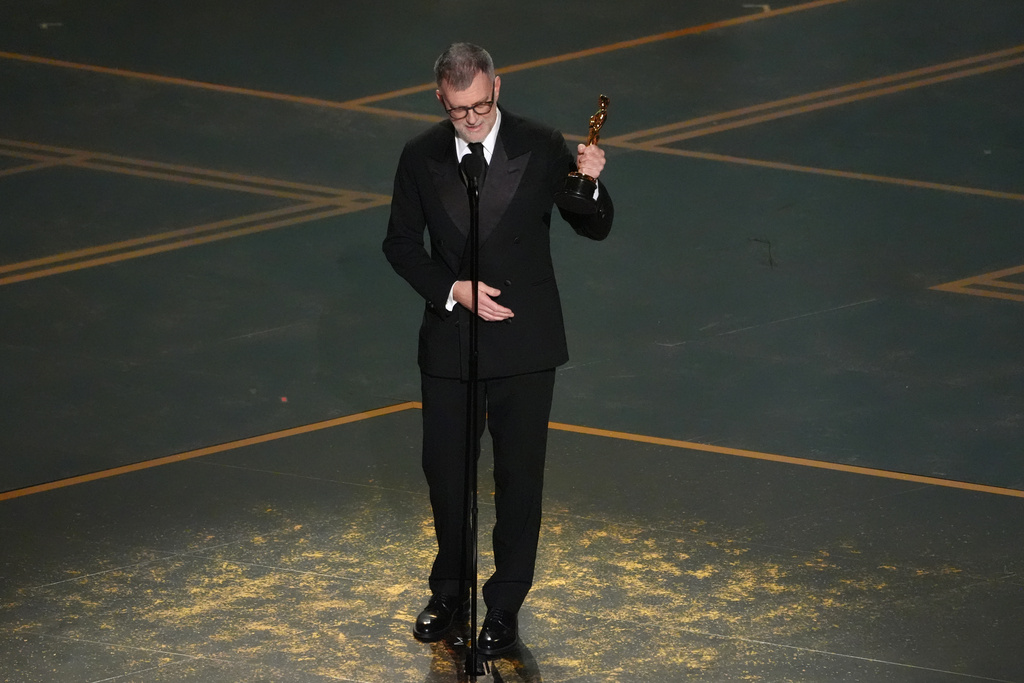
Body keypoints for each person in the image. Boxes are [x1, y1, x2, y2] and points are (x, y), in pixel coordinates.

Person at [382, 42, 614, 656]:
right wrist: (452, 289)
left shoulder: (540, 145)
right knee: (446, 476)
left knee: (518, 479)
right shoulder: (421, 155)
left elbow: (590, 225)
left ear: (498, 88)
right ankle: (450, 592)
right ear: (440, 98)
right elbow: (400, 243)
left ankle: (505, 605)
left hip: (524, 342)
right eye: (459, 110)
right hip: (452, 341)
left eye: (482, 105)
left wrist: (591, 185)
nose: (472, 119)